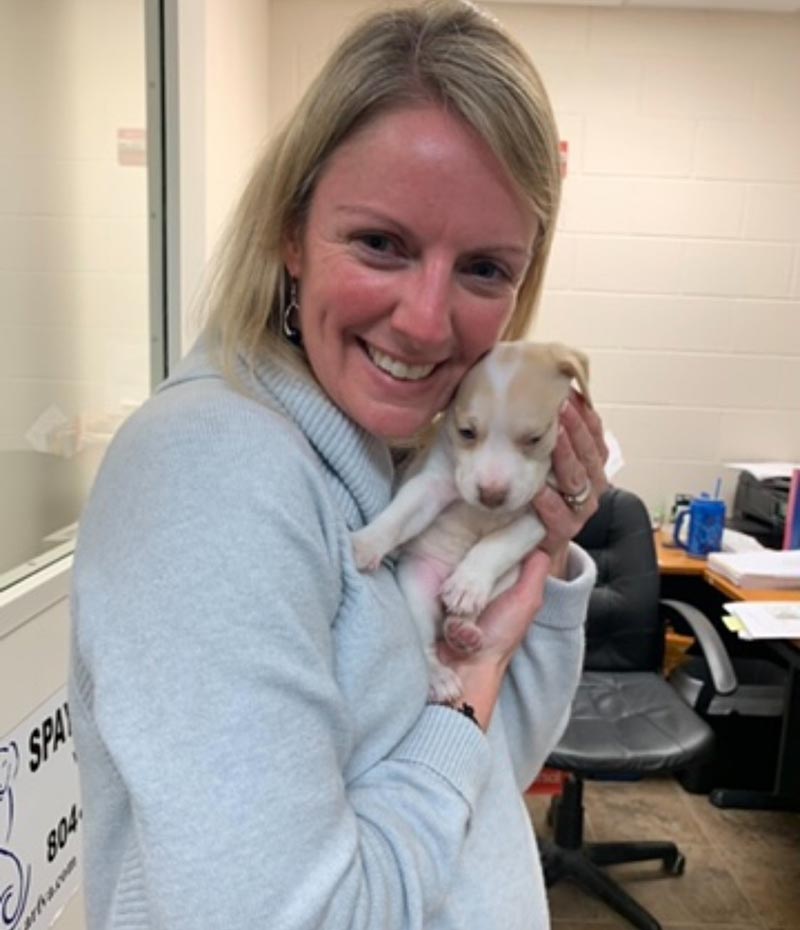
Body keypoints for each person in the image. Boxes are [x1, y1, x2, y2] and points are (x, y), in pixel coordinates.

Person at [69, 2, 609, 928]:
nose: (427, 322)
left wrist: (539, 571)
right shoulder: (208, 475)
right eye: (381, 244)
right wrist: (471, 690)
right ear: (290, 233)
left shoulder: (387, 453)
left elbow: (486, 777)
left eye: (485, 268)